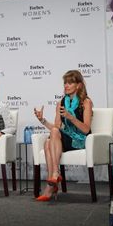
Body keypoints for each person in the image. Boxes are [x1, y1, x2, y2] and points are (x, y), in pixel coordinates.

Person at [34, 70, 93, 201]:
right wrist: (42, 120)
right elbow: (56, 128)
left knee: (49, 142)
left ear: (78, 85)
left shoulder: (86, 102)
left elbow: (86, 129)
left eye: (70, 83)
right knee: (50, 139)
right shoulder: (61, 103)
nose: (66, 85)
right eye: (65, 83)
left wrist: (71, 117)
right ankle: (54, 177)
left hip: (80, 140)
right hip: (65, 139)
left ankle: (52, 184)